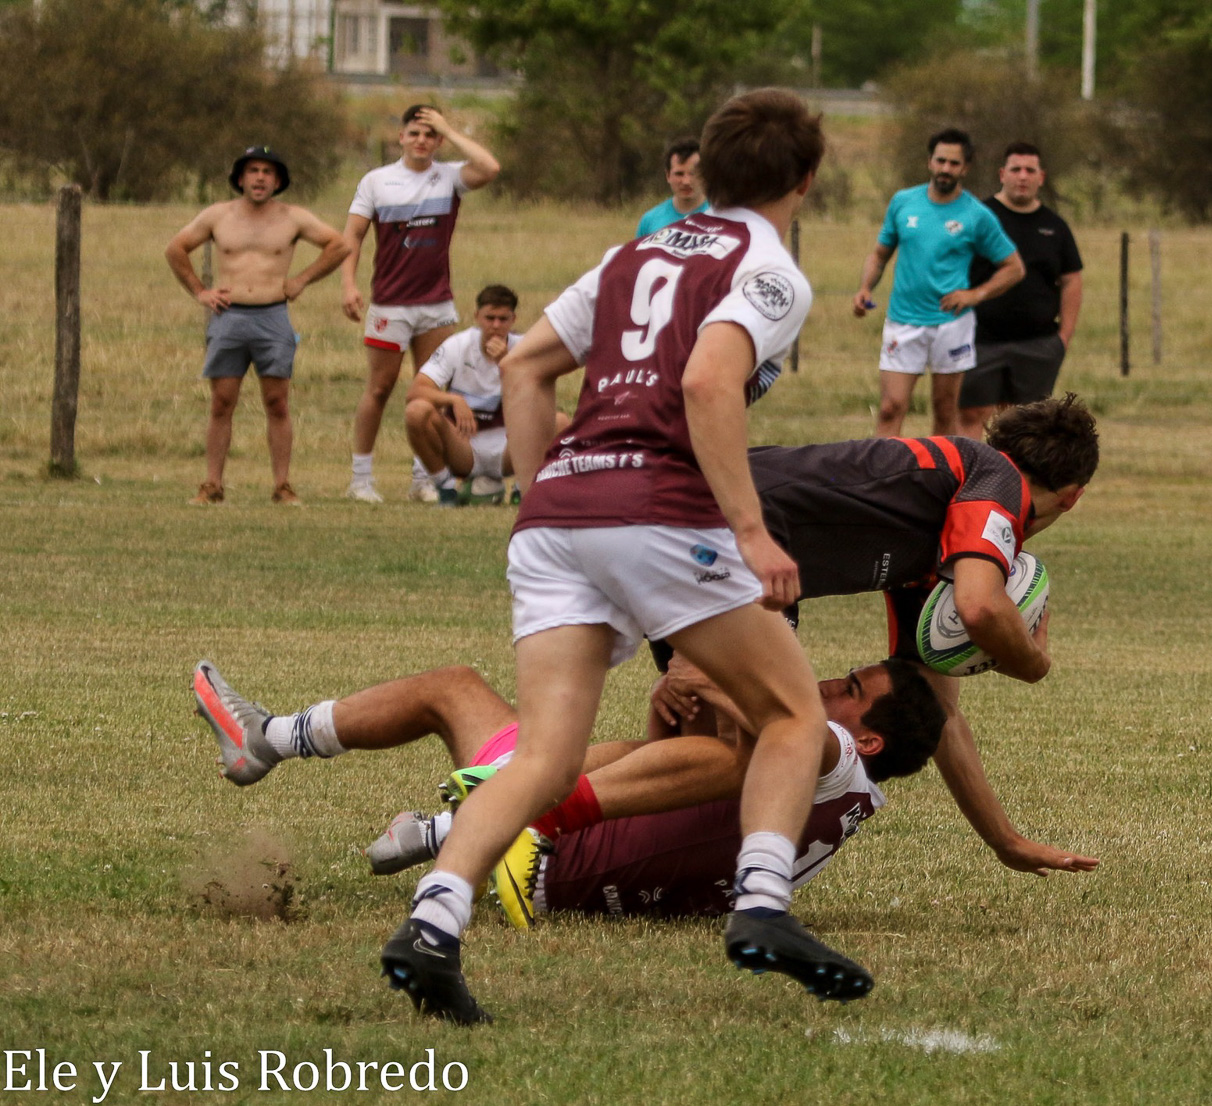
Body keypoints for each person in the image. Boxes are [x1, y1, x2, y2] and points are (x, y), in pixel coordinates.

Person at [368, 88, 858, 1023]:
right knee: (795, 715)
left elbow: (524, 366)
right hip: (659, 510)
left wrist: (542, 483)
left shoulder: (634, 251)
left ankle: (433, 922)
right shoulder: (769, 267)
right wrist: (752, 533)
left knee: (546, 758)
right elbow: (710, 380)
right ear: (807, 179)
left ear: (704, 172)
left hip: (557, 512)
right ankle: (762, 907)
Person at [648, 395, 1102, 878]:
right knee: (761, 734)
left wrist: (1004, 841)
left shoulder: (936, 527)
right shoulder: (996, 481)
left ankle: (626, 853)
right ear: (1072, 495)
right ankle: (578, 815)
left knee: (703, 730)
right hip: (737, 530)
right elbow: (980, 605)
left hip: (715, 522)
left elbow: (939, 707)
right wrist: (1033, 663)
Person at [190, 657, 945, 925]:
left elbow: (784, 721)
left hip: (554, 854)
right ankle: (447, 828)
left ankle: (272, 740)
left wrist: (708, 665)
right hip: (591, 876)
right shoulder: (849, 803)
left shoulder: (831, 750)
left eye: (848, 687)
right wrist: (676, 701)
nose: (822, 686)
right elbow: (689, 780)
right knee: (715, 755)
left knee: (454, 690)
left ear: (869, 737)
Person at [163, 147, 348, 506]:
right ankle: (212, 485)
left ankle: (282, 486)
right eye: (253, 171)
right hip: (229, 317)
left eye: (267, 171)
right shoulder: (218, 215)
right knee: (221, 402)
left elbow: (338, 245)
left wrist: (302, 280)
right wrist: (200, 291)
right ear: (240, 178)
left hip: (273, 316)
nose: (260, 177)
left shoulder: (293, 218)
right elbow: (175, 249)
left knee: (277, 402)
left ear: (278, 180)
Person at [339, 105, 500, 504]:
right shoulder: (377, 181)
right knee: (379, 388)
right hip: (390, 304)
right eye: (414, 133)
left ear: (439, 140)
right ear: (401, 137)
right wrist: (348, 285)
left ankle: (423, 479)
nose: (422, 141)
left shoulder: (448, 177)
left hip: (437, 305)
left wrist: (450, 127)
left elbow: (490, 167)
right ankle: (361, 479)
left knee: (431, 391)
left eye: (430, 135)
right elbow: (352, 237)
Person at [852, 128, 1023, 438]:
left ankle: (939, 480)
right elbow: (880, 255)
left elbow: (1013, 268)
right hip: (903, 321)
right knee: (892, 406)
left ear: (965, 168)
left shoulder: (976, 215)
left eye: (954, 163)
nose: (946, 169)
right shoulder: (903, 202)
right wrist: (865, 288)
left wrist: (976, 294)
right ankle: (881, 481)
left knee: (945, 410)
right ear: (930, 162)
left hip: (951, 325)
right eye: (940, 161)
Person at [957, 142, 1084, 440]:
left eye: (1030, 170)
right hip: (980, 339)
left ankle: (1016, 484)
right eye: (1016, 169)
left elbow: (1071, 280)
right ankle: (971, 480)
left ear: (1041, 177)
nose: (1022, 176)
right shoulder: (978, 217)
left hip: (1037, 344)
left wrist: (1063, 337)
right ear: (1002, 174)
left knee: (1028, 422)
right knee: (971, 413)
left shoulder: (1055, 227)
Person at [403, 284, 521, 506]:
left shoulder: (524, 347)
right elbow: (416, 391)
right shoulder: (458, 345)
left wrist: (507, 365)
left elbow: (536, 399)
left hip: (512, 449)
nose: (496, 326)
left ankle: (523, 491)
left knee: (559, 422)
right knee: (416, 411)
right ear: (477, 316)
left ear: (513, 319)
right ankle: (446, 490)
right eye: (490, 318)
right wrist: (454, 400)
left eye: (503, 319)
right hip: (464, 449)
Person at [636, 137, 709, 238]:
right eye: (679, 174)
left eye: (693, 173)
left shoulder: (721, 217)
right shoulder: (649, 221)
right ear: (668, 176)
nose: (686, 181)